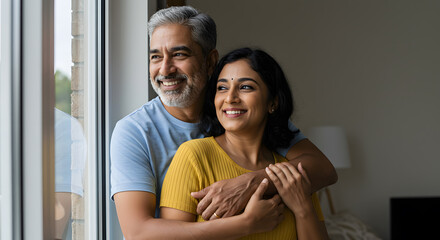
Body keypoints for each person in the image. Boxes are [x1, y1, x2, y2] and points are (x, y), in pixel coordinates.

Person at [110, 6, 336, 239]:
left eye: (179, 54)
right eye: (155, 56)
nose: (165, 69)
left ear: (210, 62)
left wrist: (250, 182)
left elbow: (323, 169)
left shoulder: (244, 114)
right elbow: (137, 233)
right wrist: (247, 223)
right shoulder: (135, 131)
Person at [160, 47, 329, 239]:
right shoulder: (194, 156)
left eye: (246, 87)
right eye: (222, 88)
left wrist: (303, 208)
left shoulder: (290, 173)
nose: (230, 98)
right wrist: (247, 223)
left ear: (273, 102)